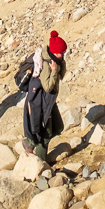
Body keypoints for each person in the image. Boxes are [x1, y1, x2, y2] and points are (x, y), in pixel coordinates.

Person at [16, 30, 67, 162]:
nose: (62, 55)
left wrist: (61, 65)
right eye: (60, 53)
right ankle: (40, 161)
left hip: (48, 101)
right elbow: (48, 86)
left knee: (56, 127)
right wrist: (55, 70)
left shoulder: (55, 60)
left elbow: (61, 77)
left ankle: (32, 146)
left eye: (63, 53)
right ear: (54, 51)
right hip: (41, 102)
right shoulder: (46, 64)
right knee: (46, 134)